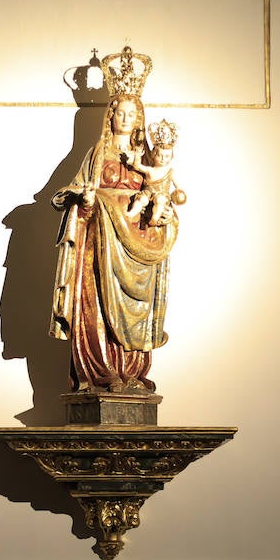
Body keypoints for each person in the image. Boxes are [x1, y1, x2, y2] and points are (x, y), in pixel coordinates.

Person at [50, 46, 179, 393]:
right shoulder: (97, 155)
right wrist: (85, 201)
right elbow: (73, 193)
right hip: (101, 242)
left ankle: (132, 371)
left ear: (139, 118)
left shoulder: (150, 158)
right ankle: (103, 371)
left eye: (131, 113)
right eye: (120, 112)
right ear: (110, 116)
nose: (125, 118)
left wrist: (165, 214)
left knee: (136, 309)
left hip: (137, 247)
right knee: (97, 307)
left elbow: (162, 195)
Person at [123, 119, 179, 225]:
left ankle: (155, 218)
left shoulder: (170, 171)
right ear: (153, 155)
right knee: (142, 200)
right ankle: (131, 213)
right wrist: (138, 155)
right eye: (159, 155)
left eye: (166, 156)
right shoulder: (150, 170)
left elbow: (178, 186)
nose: (163, 159)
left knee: (160, 201)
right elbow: (137, 166)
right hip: (148, 191)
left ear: (171, 157)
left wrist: (178, 192)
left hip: (161, 194)